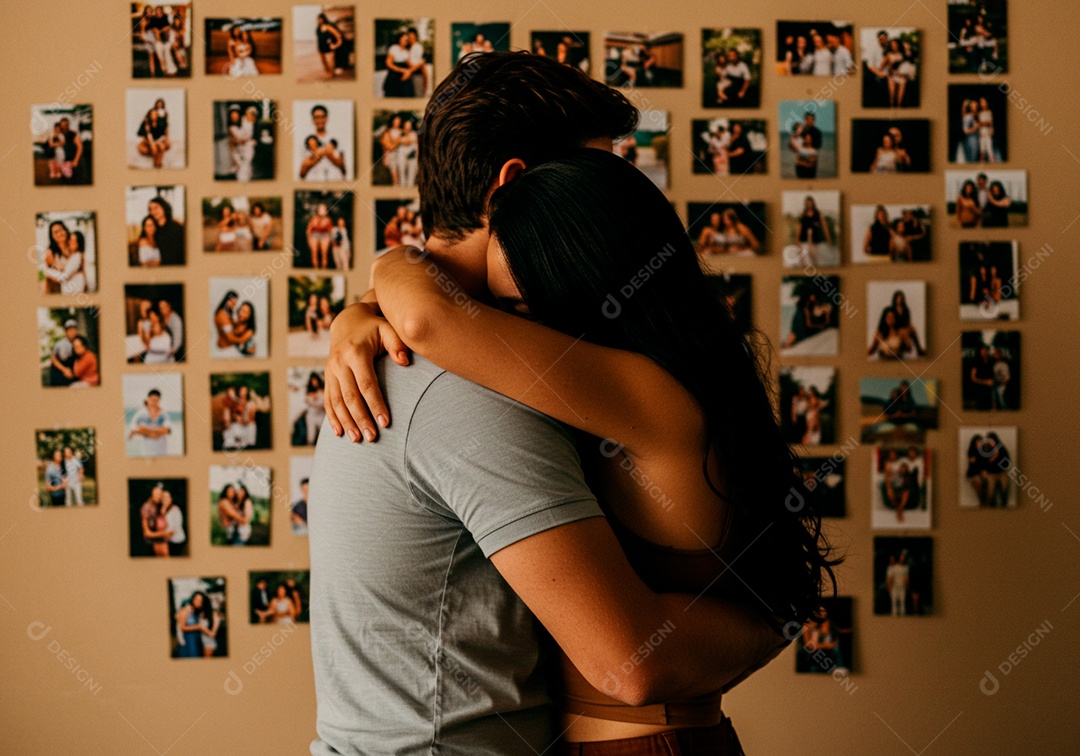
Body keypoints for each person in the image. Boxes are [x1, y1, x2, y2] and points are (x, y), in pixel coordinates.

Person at [315, 52, 836, 754]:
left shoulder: (597, 376)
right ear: (516, 189)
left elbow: (430, 318)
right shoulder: (462, 383)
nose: (606, 197)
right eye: (589, 175)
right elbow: (430, 320)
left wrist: (386, 271)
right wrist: (365, 303)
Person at [299, 105, 347, 181]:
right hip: (313, 183)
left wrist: (331, 156)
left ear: (326, 118)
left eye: (322, 117)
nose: (320, 120)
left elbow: (344, 169)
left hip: (334, 182)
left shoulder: (336, 139)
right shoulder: (307, 141)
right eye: (317, 117)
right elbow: (301, 173)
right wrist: (317, 157)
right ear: (313, 119)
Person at [129, 389, 172, 456]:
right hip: (146, 451)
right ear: (148, 399)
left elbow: (167, 430)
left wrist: (145, 430)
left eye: (156, 400)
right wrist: (156, 433)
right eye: (152, 400)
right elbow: (133, 431)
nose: (153, 402)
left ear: (159, 400)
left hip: (161, 451)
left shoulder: (164, 415)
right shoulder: (140, 415)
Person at [795, 195, 831, 266]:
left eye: (810, 203)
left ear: (813, 203)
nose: (809, 204)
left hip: (814, 239)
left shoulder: (817, 214)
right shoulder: (802, 214)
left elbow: (824, 226)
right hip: (804, 238)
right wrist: (797, 238)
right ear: (805, 204)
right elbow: (799, 227)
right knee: (805, 258)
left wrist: (828, 237)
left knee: (814, 257)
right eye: (807, 203)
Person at [147, 196, 184, 265]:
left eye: (156, 208)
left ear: (164, 208)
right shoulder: (153, 229)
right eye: (150, 209)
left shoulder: (176, 228)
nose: (153, 211)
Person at [141, 483, 172, 557]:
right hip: (152, 542)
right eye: (157, 494)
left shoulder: (158, 506)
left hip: (160, 538)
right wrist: (163, 534)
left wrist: (165, 506)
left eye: (160, 494)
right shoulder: (146, 507)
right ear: (151, 494)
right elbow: (147, 533)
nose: (159, 497)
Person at [175, 592, 209, 657]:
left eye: (200, 601)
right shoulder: (185, 610)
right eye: (196, 599)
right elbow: (182, 627)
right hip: (188, 640)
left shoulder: (198, 611)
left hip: (197, 640)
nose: (198, 602)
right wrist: (197, 627)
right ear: (192, 599)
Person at [48, 319, 80, 387]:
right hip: (60, 372)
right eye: (70, 330)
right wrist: (64, 369)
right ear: (66, 332)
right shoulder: (60, 344)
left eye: (74, 329)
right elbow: (53, 359)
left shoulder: (79, 343)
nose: (73, 332)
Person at [315, 13, 344, 78]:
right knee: (324, 62)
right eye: (318, 19)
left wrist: (336, 44)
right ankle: (328, 72)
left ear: (324, 19)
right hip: (321, 47)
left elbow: (338, 35)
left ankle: (331, 73)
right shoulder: (318, 28)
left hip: (329, 47)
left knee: (331, 61)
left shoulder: (328, 27)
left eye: (321, 19)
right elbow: (318, 38)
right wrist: (318, 48)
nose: (319, 20)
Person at [306, 203, 334, 269]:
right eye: (320, 209)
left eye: (323, 209)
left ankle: (324, 269)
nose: (322, 210)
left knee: (324, 253)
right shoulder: (314, 219)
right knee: (314, 253)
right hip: (315, 235)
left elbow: (330, 231)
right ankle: (315, 268)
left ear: (325, 210)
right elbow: (308, 230)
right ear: (318, 210)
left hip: (325, 235)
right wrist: (309, 239)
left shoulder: (328, 220)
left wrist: (330, 240)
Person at [161, 489, 186, 556]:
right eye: (163, 497)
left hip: (176, 540)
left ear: (171, 499)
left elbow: (176, 527)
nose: (165, 499)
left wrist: (164, 536)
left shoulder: (175, 510)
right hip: (167, 541)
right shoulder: (162, 509)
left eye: (167, 497)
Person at [886, 552, 909, 616]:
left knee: (902, 604)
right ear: (899, 557)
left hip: (902, 587)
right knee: (894, 604)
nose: (902, 558)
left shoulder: (906, 567)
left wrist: (907, 585)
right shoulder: (893, 567)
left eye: (903, 557)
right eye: (901, 557)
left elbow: (906, 578)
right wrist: (889, 586)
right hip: (894, 587)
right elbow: (889, 577)